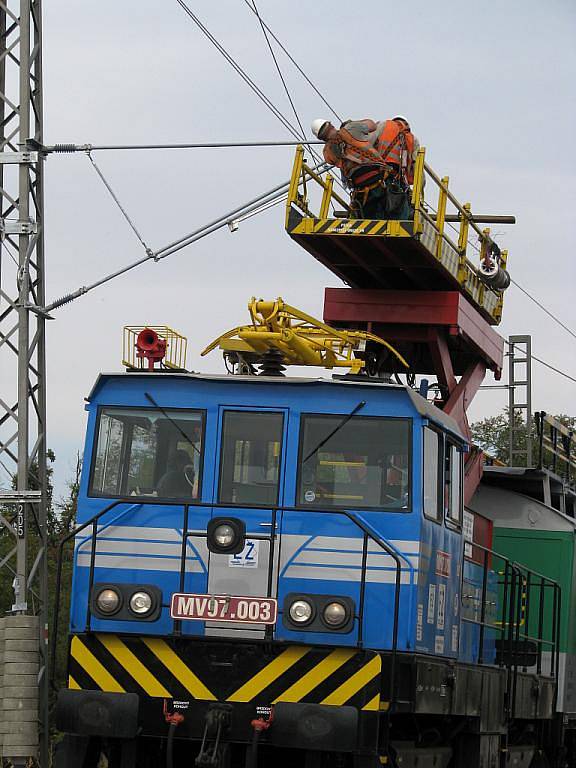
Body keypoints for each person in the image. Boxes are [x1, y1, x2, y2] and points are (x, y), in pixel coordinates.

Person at [311, 116, 420, 220]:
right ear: (331, 125)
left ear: (321, 137)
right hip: (380, 177)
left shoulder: (327, 152)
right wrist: (355, 123)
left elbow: (342, 169)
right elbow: (372, 125)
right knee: (400, 208)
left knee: (371, 216)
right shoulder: (351, 128)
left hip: (360, 189)